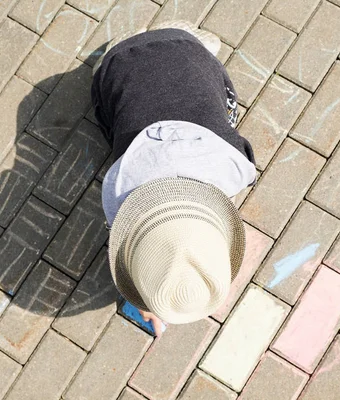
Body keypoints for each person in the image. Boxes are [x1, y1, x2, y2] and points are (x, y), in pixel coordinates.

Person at [91, 21, 256, 337]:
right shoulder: (119, 191)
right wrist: (144, 289)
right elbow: (124, 237)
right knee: (111, 123)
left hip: (189, 52)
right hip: (115, 66)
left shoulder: (234, 167)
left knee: (224, 113)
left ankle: (173, 38)